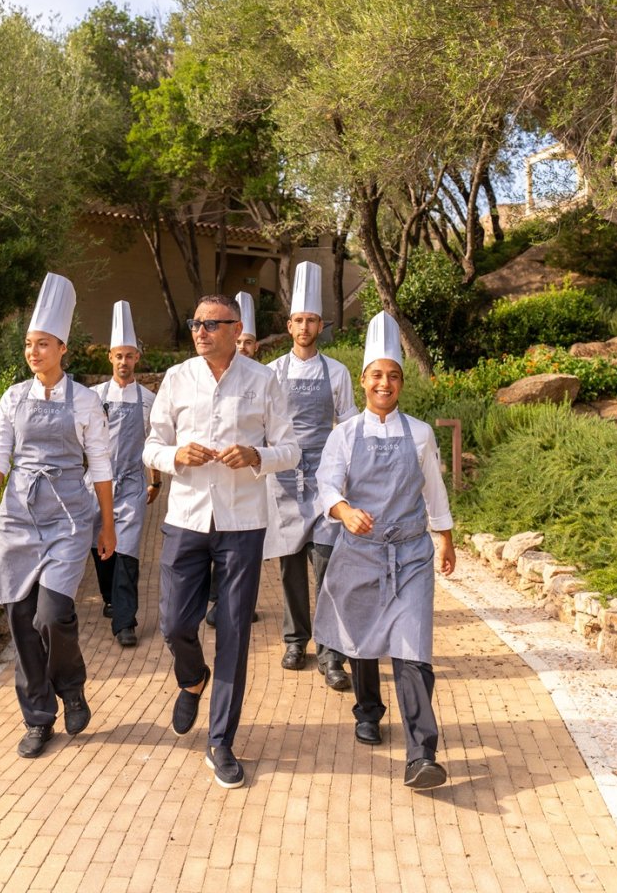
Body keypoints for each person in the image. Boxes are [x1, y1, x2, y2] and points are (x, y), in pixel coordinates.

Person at [144, 294, 300, 789]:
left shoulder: (263, 380)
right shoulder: (177, 378)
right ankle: (192, 678)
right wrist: (175, 456)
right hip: (186, 518)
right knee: (173, 623)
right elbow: (151, 446)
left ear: (236, 329)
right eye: (195, 323)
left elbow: (291, 449)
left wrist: (256, 456)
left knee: (234, 632)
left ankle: (221, 741)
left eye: (211, 324)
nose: (200, 331)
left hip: (242, 524)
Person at [0, 273, 115, 759]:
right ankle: (37, 718)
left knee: (52, 614)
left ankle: (71, 687)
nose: (34, 352)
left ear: (62, 348)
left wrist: (107, 524)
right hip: (18, 517)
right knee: (21, 619)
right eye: (29, 344)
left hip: (69, 518)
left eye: (43, 343)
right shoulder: (13, 398)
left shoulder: (86, 401)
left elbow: (100, 466)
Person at [314, 310, 456, 789]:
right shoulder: (344, 434)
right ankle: (368, 710)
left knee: (413, 648)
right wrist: (343, 511)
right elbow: (326, 484)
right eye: (377, 374)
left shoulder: (420, 433)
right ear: (363, 380)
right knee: (363, 637)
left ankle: (422, 754)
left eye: (393, 375)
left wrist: (445, 537)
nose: (384, 383)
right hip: (360, 551)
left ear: (401, 383)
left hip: (411, 555)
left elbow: (433, 489)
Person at [263, 261, 356, 692]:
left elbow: (350, 427)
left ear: (321, 325)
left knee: (327, 563)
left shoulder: (336, 372)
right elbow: (262, 426)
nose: (304, 327)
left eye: (311, 320)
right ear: (289, 326)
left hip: (324, 481)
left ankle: (332, 652)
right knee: (289, 568)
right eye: (298, 320)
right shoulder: (272, 373)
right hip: (284, 479)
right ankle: (296, 641)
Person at [89, 301, 160, 648]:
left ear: (137, 359)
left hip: (132, 482)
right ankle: (110, 598)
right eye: (119, 355)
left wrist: (155, 479)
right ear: (110, 358)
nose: (124, 362)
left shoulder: (148, 399)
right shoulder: (93, 397)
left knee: (128, 550)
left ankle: (125, 621)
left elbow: (154, 441)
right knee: (100, 545)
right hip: (96, 483)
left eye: (130, 356)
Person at [206, 290, 261, 629]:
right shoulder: (191, 377)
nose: (244, 347)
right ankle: (219, 601)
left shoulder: (264, 379)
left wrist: (256, 456)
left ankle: (239, 603)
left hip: (253, 485)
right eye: (240, 343)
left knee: (247, 557)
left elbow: (280, 441)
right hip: (207, 490)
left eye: (248, 342)